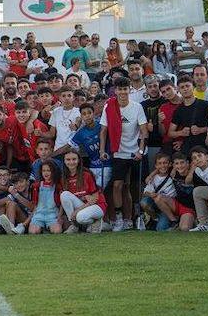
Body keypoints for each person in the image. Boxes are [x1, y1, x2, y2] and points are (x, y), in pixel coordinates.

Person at [99, 77, 148, 231]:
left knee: (135, 187)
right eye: (119, 89)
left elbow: (144, 131)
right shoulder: (109, 107)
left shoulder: (137, 107)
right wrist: (101, 150)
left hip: (135, 153)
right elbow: (103, 131)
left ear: (129, 90)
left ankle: (136, 217)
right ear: (116, 90)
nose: (122, 92)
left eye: (125, 89)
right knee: (118, 185)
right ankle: (119, 218)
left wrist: (140, 151)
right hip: (118, 152)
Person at [58, 150, 106, 233]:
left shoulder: (86, 174)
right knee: (64, 194)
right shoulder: (63, 177)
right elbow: (65, 200)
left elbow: (94, 198)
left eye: (74, 159)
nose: (71, 162)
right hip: (83, 205)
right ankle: (74, 225)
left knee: (80, 217)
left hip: (97, 205)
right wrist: (59, 216)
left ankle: (97, 220)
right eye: (68, 160)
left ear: (79, 160)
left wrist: (77, 211)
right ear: (64, 161)